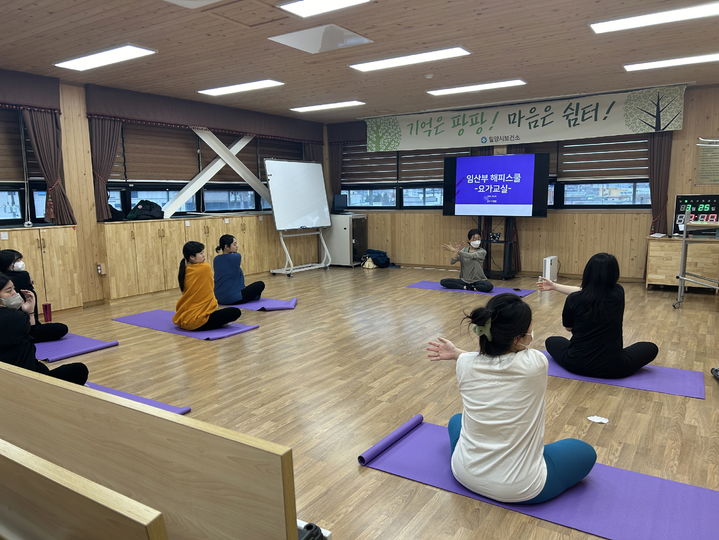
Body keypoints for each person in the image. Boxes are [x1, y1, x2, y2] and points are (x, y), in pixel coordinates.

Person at [426, 293, 596, 504]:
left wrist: (456, 353)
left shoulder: (464, 363)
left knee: (456, 420)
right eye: (530, 330)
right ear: (517, 339)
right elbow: (502, 361)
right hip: (521, 489)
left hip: (464, 474)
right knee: (584, 452)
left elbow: (478, 359)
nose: (532, 334)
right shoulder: (536, 364)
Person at [539, 252, 659, 379]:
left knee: (551, 341)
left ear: (587, 272)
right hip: (614, 368)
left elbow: (568, 327)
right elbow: (591, 292)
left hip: (576, 363)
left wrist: (555, 286)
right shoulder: (618, 293)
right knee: (651, 348)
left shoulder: (573, 299)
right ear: (615, 274)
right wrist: (555, 286)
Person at [0, 273, 88, 385]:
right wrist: (29, 313)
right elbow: (32, 335)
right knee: (79, 370)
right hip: (25, 382)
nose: (14, 293)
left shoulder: (17, 318)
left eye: (14, 289)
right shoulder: (16, 318)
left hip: (8, 380)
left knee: (41, 366)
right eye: (9, 291)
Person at [0, 249, 69, 342]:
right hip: (20, 324)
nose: (20, 263)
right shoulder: (20, 276)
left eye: (20, 260)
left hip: (27, 321)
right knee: (60, 328)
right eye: (16, 261)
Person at [173, 241, 241, 331]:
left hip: (185, 318)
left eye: (203, 253)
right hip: (197, 321)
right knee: (235, 312)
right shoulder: (204, 267)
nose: (204, 255)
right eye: (201, 253)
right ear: (192, 257)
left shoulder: (185, 269)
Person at [213, 234, 265, 305]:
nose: (237, 246)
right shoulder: (236, 256)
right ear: (226, 247)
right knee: (260, 284)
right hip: (233, 299)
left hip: (219, 298)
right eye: (234, 244)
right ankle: (253, 297)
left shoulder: (216, 259)